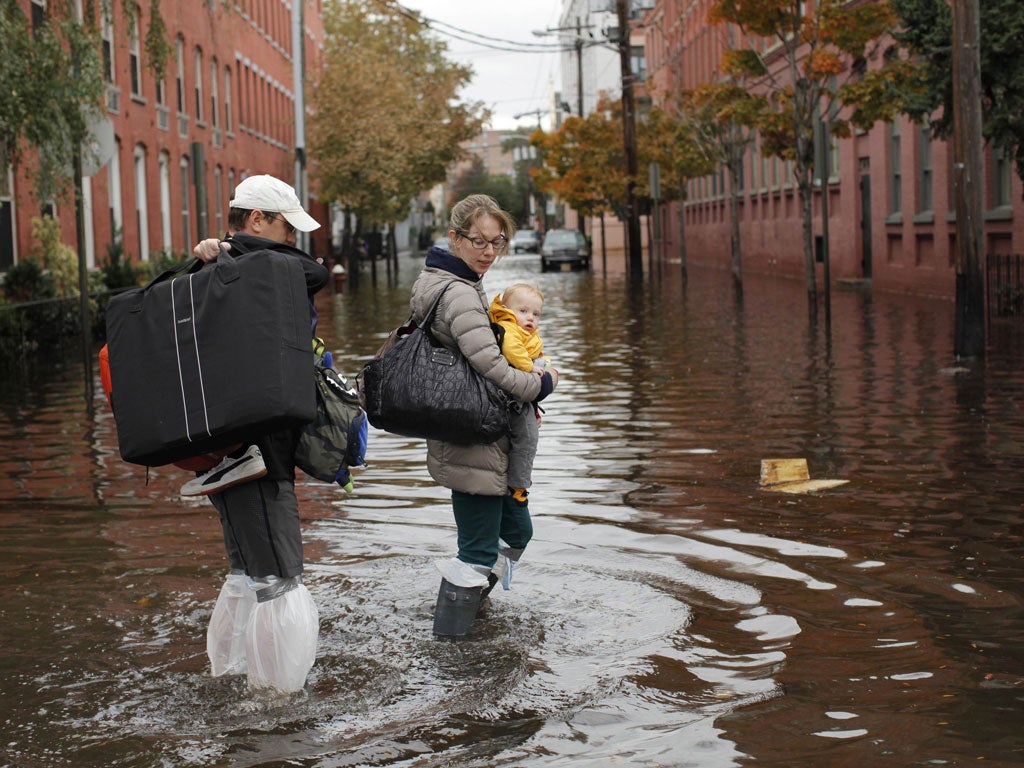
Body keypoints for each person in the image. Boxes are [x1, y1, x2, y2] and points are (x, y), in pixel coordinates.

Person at [192, 174, 329, 692]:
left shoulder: (209, 272)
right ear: (255, 220)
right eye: (285, 227)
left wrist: (225, 249)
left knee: (246, 570)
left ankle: (230, 678)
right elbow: (315, 273)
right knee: (279, 575)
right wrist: (237, 249)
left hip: (217, 446)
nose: (294, 239)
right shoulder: (260, 268)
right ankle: (278, 702)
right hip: (261, 445)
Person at [409, 194, 558, 637]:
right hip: (472, 437)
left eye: (497, 242)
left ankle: (469, 612)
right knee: (476, 549)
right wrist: (542, 384)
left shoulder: (458, 282)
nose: (489, 251)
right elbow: (491, 367)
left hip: (485, 430)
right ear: (455, 238)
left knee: (516, 534)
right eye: (478, 241)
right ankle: (450, 645)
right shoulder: (457, 292)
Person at [488, 284, 549, 511]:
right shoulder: (508, 328)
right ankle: (518, 485)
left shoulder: (526, 332)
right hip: (512, 395)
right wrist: (531, 369)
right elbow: (513, 350)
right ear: (506, 310)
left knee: (529, 434)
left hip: (523, 395)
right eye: (522, 311)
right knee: (527, 439)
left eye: (535, 314)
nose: (530, 318)